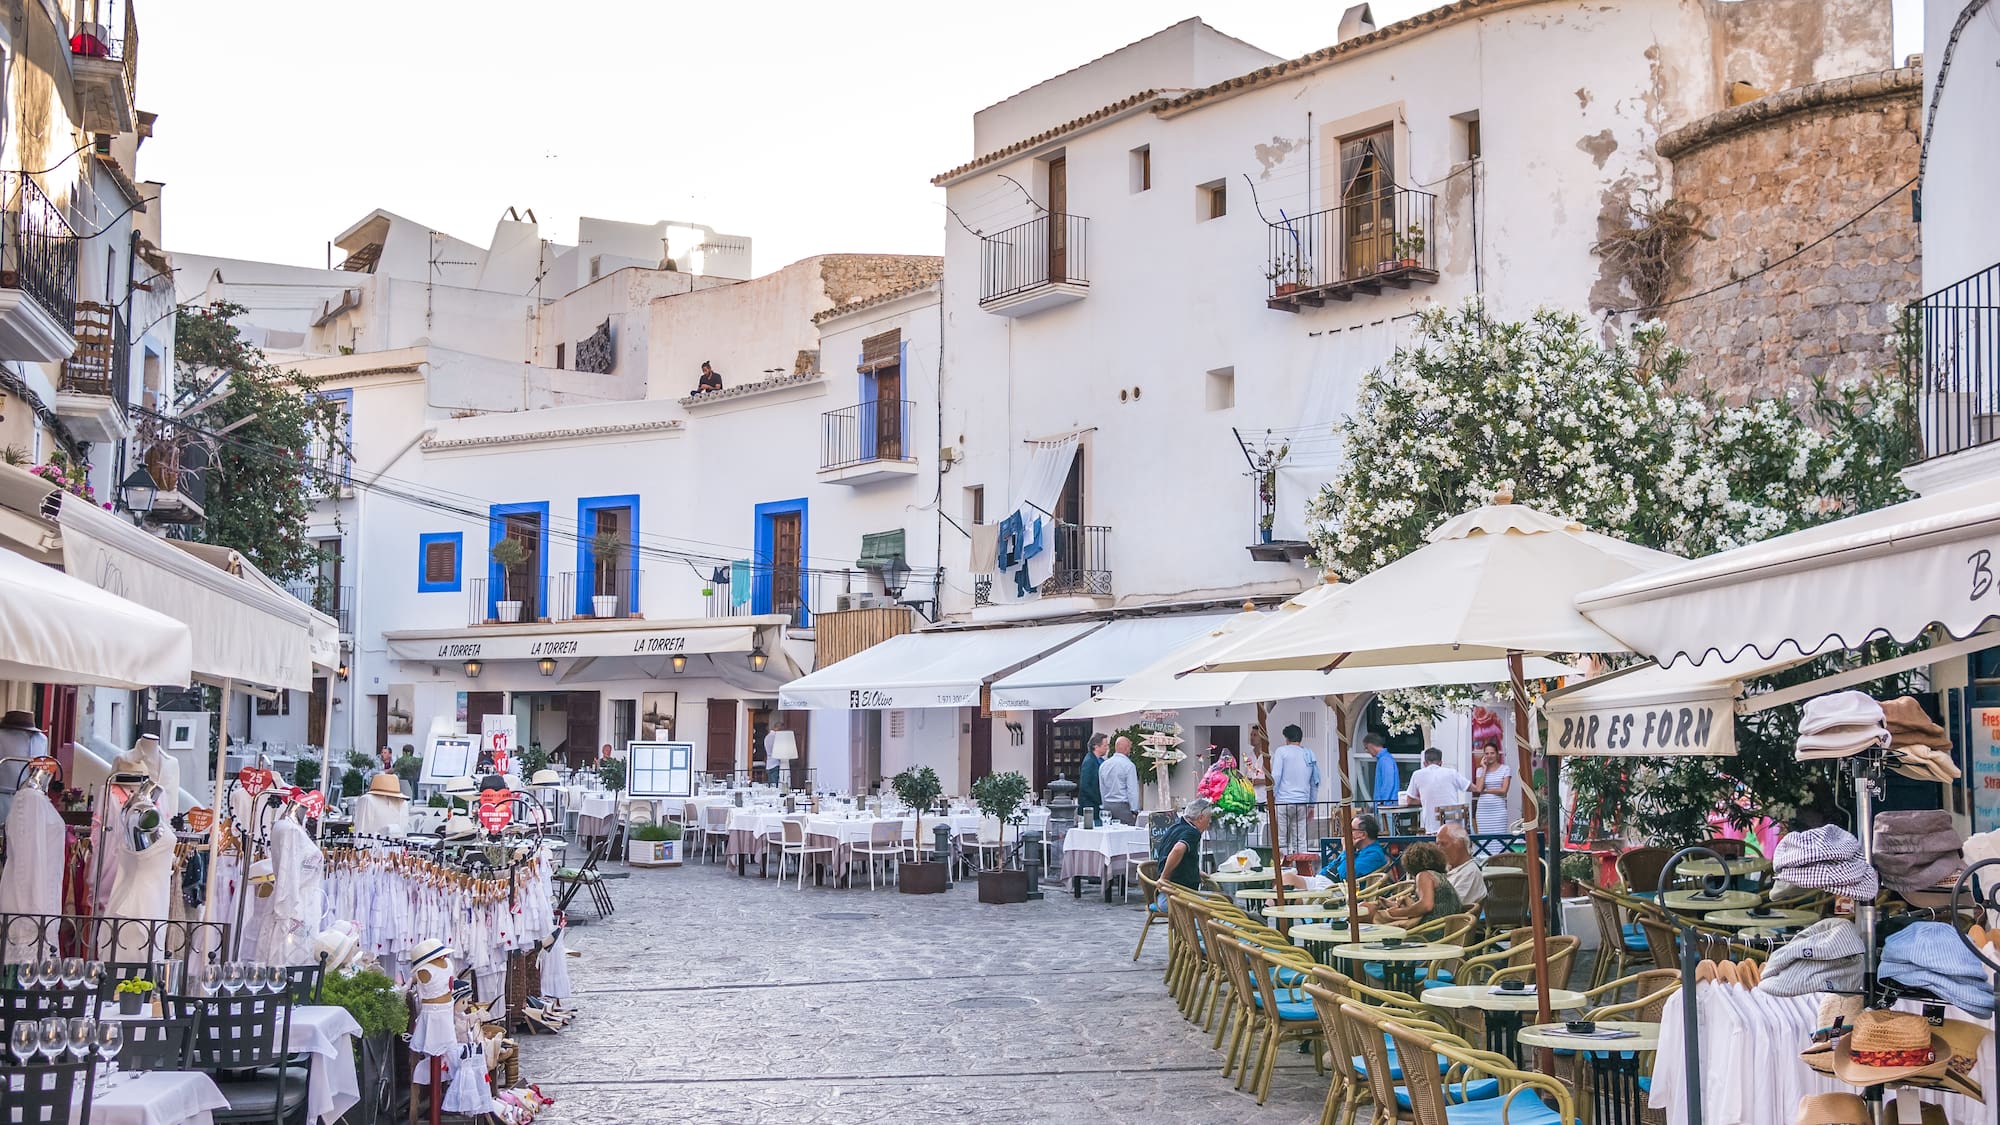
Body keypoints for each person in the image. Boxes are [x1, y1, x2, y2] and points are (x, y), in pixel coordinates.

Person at [1360, 842, 1463, 925]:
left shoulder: (1424, 875)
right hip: (1444, 928)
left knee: (1366, 912)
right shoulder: (1438, 876)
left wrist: (1399, 912)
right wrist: (1394, 905)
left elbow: (1426, 906)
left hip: (1430, 933)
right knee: (1370, 911)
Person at [1152, 798, 1213, 911]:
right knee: (1222, 904)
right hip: (1176, 897)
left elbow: (1177, 857)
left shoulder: (1174, 827)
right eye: (1209, 819)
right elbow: (1177, 849)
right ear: (1200, 818)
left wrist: (1195, 871)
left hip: (1168, 894)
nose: (1209, 824)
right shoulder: (1192, 832)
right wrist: (1164, 878)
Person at [1403, 748, 1471, 834]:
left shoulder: (1417, 774)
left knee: (1432, 844)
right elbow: (1473, 788)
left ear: (1424, 763)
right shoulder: (1452, 773)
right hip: (1455, 830)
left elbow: (1409, 801)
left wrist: (1425, 800)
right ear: (1441, 763)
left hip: (1433, 829)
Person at [1271, 724, 1315, 856]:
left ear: (1286, 738)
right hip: (1302, 801)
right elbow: (1314, 780)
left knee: (1282, 839)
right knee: (1300, 839)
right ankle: (1302, 870)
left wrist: (1272, 794)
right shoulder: (1309, 753)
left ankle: (1283, 868)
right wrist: (1312, 804)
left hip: (1283, 800)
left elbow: (1276, 775)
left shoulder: (1281, 751)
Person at [1436, 823, 1488, 907]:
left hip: (1449, 919)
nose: (1439, 849)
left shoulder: (1469, 873)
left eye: (1443, 844)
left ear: (1459, 844)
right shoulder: (1449, 869)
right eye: (1437, 844)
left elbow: (1449, 907)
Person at [1326, 814, 1389, 879]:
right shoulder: (1360, 850)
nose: (1347, 833)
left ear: (1363, 835)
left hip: (1335, 887)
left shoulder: (1373, 855)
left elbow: (1346, 875)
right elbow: (1330, 867)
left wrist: (1346, 851)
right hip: (1325, 882)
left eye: (1351, 829)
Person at [1471, 740, 1514, 834]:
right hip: (1483, 810)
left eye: (1492, 753)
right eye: (1487, 753)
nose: (1489, 756)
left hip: (1498, 809)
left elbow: (1504, 790)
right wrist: (1484, 768)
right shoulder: (1480, 770)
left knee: (1499, 838)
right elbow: (1479, 789)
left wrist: (1486, 791)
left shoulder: (1505, 769)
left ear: (1497, 754)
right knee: (1484, 838)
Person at [1098, 736, 1140, 825]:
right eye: (1129, 748)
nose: (1130, 750)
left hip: (1107, 805)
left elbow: (1102, 788)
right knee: (1127, 835)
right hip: (1122, 806)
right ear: (1126, 748)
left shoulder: (1104, 765)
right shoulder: (1129, 765)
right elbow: (1132, 790)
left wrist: (1104, 804)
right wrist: (1134, 810)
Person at [1077, 733, 1108, 823]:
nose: (1107, 748)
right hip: (1090, 805)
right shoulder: (1089, 761)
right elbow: (1085, 785)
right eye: (1105, 745)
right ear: (1096, 747)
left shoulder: (1101, 761)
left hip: (1097, 804)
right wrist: (1099, 800)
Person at [1367, 734, 1401, 809]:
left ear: (1371, 746)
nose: (1367, 751)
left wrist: (1382, 802)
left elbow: (1388, 782)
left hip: (1387, 807)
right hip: (1386, 805)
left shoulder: (1385, 760)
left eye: (1366, 748)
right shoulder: (1384, 759)